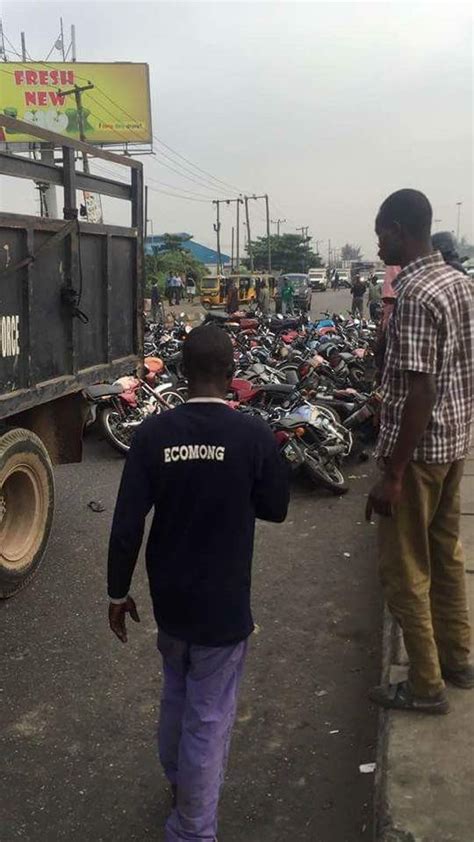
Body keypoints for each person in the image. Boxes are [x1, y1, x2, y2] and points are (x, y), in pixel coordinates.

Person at [107, 325, 289, 842]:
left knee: (177, 692)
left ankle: (179, 782)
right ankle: (193, 829)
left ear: (183, 374)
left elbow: (126, 525)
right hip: (224, 603)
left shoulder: (151, 436)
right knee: (208, 716)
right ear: (231, 375)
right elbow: (275, 508)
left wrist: (117, 594)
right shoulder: (252, 435)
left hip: (171, 599)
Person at [367, 188, 473, 715]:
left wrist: (393, 473)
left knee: (405, 568)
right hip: (455, 447)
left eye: (381, 230)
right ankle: (459, 659)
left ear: (402, 230)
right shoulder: (458, 283)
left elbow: (421, 390)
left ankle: (427, 685)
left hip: (421, 453)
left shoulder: (414, 294)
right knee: (447, 556)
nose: (377, 241)